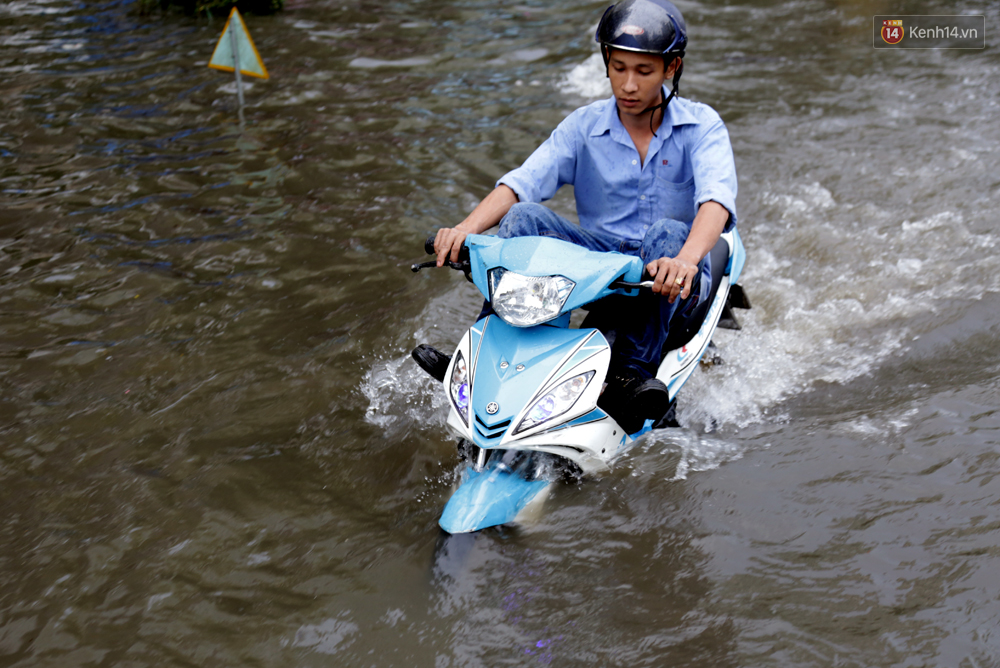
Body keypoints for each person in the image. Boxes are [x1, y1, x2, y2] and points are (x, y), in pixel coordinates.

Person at [413, 0, 738, 432]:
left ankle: (629, 376)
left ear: (671, 67)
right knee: (525, 218)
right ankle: (485, 362)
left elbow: (715, 202)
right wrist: (463, 231)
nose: (628, 84)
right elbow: (522, 182)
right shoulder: (583, 126)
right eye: (619, 67)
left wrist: (684, 259)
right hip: (604, 269)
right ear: (606, 63)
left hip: (673, 273)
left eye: (643, 72)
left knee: (666, 232)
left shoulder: (703, 126)